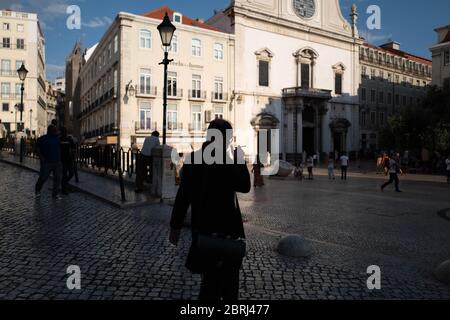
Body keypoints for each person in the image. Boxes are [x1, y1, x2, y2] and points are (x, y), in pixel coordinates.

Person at [169, 119, 251, 301]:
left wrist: (175, 226)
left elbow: (183, 197)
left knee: (210, 282)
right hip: (227, 232)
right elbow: (245, 185)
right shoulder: (226, 161)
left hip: (203, 229)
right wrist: (240, 161)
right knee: (228, 286)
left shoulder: (193, 159)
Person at [35, 125, 62, 199]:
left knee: (58, 178)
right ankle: (37, 190)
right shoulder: (42, 139)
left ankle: (55, 194)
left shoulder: (57, 138)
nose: (56, 132)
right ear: (50, 131)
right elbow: (37, 148)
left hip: (57, 161)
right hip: (46, 162)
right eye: (54, 130)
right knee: (43, 177)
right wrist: (41, 157)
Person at [60, 127, 75, 195]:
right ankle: (64, 189)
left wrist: (71, 153)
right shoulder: (59, 139)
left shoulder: (69, 139)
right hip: (62, 159)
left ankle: (64, 184)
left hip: (69, 159)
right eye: (63, 132)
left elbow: (73, 147)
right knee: (64, 174)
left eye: (65, 132)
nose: (64, 133)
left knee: (71, 173)